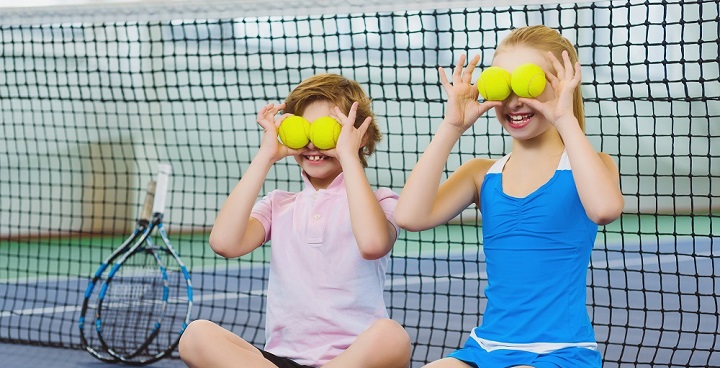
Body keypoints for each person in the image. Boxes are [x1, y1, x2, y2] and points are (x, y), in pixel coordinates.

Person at [394, 25, 624, 368]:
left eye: (529, 83)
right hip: (485, 347)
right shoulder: (480, 174)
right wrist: (452, 126)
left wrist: (564, 117)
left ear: (562, 84)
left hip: (561, 351)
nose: (515, 100)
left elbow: (604, 209)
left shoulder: (593, 166)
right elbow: (410, 216)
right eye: (505, 84)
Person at [178, 74, 411, 368]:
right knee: (196, 335)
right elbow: (224, 243)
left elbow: (373, 244)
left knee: (392, 336)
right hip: (282, 361)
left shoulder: (381, 201)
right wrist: (265, 156)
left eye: (327, 131)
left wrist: (348, 155)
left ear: (359, 136)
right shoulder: (279, 204)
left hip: (355, 359)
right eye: (304, 131)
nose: (313, 144)